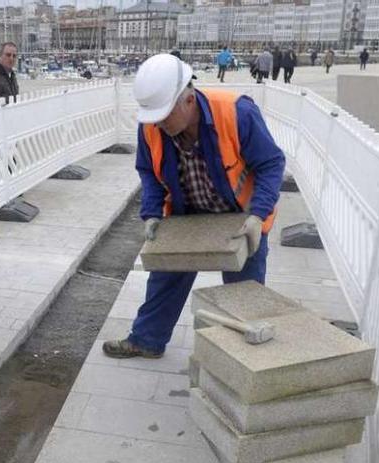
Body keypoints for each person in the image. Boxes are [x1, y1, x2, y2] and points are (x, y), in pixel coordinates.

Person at [102, 54, 284, 359]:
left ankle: (239, 361)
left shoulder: (236, 112)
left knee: (244, 292)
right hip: (189, 212)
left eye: (164, 114)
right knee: (165, 277)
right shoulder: (152, 126)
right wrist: (151, 212)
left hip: (241, 216)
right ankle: (147, 340)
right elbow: (148, 171)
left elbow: (272, 163)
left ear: (188, 99)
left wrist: (257, 216)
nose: (158, 123)